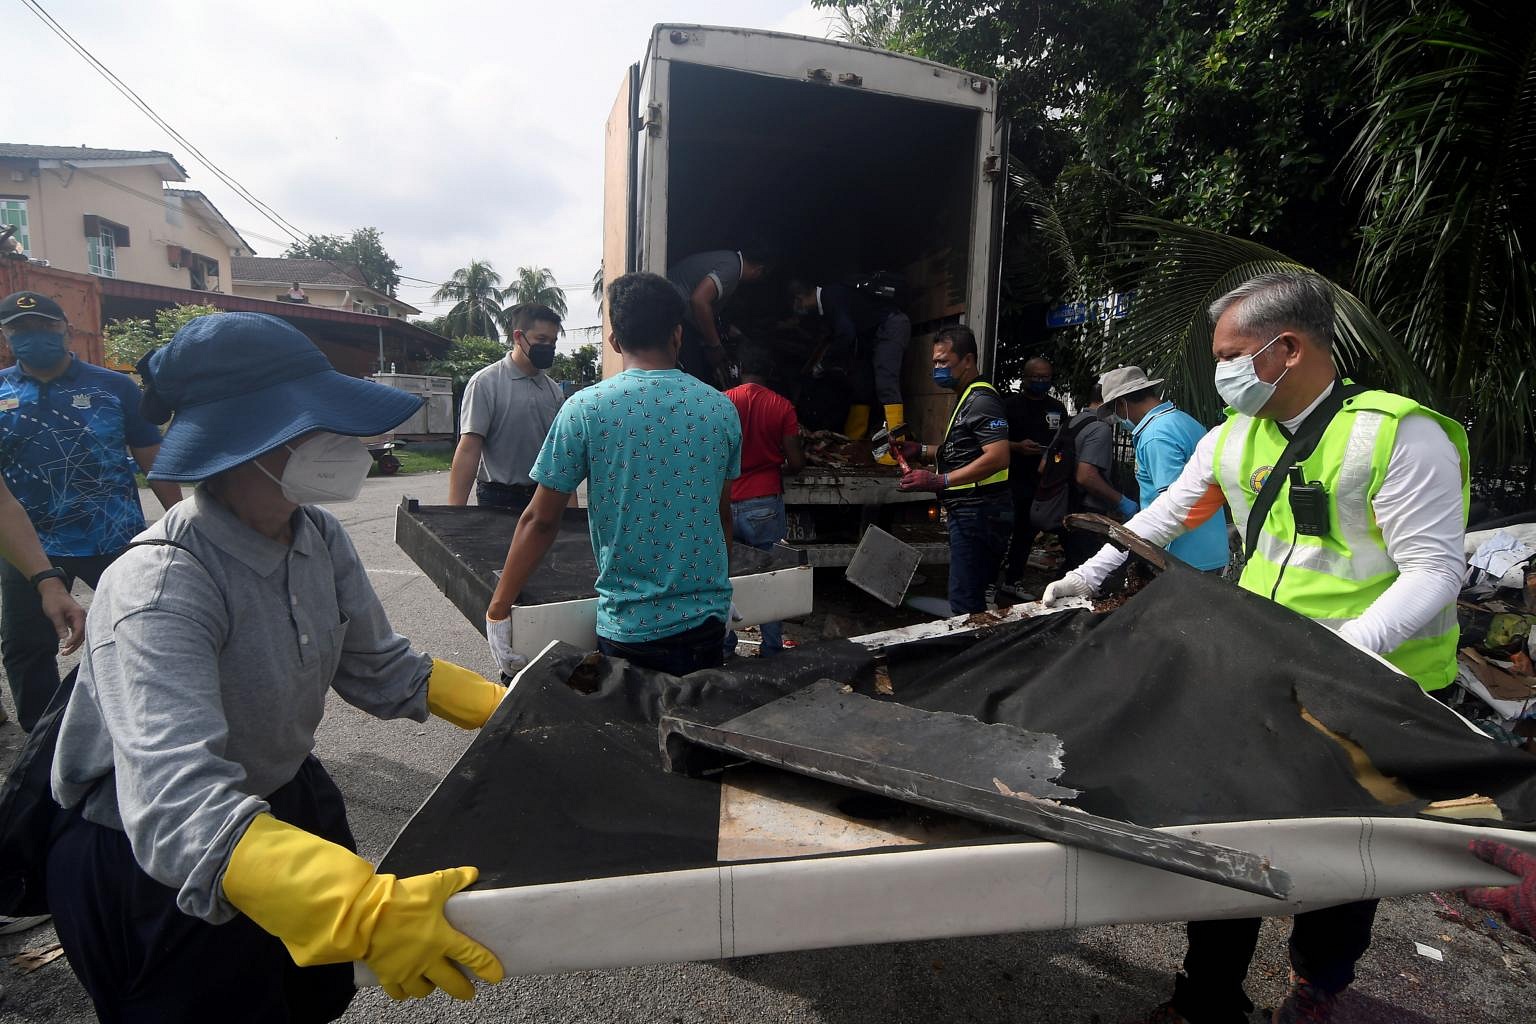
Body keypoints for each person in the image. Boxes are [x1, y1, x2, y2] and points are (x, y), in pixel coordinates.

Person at [47, 312, 507, 1020]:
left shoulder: (314, 532)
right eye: (325, 428)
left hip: (277, 810)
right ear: (248, 443)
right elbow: (176, 807)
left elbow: (383, 670)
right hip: (162, 861)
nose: (352, 445)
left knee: (303, 1002)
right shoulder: (162, 588)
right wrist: (357, 910)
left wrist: (511, 711)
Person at [1043, 271, 1469, 1024]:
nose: (1222, 373)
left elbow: (1435, 569)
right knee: (1228, 832)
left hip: (1373, 688)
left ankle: (1317, 991)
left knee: (1344, 859)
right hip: (1262, 671)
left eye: (1232, 354)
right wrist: (1089, 572)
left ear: (1288, 349)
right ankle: (1207, 996)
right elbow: (1168, 514)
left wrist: (1347, 652)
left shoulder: (1397, 435)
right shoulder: (1235, 436)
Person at [485, 272, 742, 677]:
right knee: (693, 728)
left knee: (634, 735)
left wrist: (499, 611)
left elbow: (540, 520)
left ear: (615, 343)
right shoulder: (720, 409)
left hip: (630, 629)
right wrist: (722, 590)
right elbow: (720, 514)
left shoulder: (586, 408)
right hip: (706, 625)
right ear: (678, 334)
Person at [0, 290, 183, 732]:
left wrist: (184, 526)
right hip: (30, 547)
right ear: (6, 336)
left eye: (45, 325)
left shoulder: (112, 386)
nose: (35, 335)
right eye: (21, 329)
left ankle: (142, 727)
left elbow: (153, 460)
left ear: (66, 329)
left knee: (135, 634)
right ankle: (43, 742)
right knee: (26, 645)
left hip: (113, 540)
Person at [894, 326, 1011, 614]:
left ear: (968, 360)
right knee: (968, 593)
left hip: (979, 510)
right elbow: (961, 451)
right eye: (934, 362)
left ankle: (969, 653)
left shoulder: (981, 400)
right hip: (971, 510)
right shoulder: (965, 397)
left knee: (965, 599)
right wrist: (919, 450)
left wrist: (938, 480)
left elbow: (998, 457)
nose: (937, 369)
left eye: (944, 362)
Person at [1097, 365, 1228, 573]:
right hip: (1209, 548)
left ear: (1122, 404)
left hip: (1181, 557)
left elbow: (1170, 507)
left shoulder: (1155, 436)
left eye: (1114, 411)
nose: (1118, 419)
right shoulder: (1183, 421)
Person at [723, 351, 804, 656]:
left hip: (726, 502)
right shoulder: (782, 406)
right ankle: (771, 646)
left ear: (740, 369)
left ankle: (726, 646)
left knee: (724, 577)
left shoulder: (721, 401)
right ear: (769, 372)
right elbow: (796, 461)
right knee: (770, 577)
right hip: (765, 503)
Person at [448, 302, 565, 509]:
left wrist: (571, 515)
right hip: (497, 496)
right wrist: (455, 512)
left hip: (541, 494)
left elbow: (559, 456)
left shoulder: (554, 392)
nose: (548, 347)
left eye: (553, 341)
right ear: (518, 337)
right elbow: (469, 449)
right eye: (541, 339)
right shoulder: (485, 383)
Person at [787, 278, 911, 456]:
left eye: (796, 301)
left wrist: (823, 364)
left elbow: (846, 334)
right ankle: (853, 443)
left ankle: (897, 448)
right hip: (871, 335)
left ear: (800, 297)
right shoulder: (831, 300)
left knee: (886, 384)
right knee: (862, 387)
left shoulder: (832, 297)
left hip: (890, 326)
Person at [1001, 357, 1067, 591]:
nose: (1041, 381)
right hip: (1010, 479)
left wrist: (1053, 459)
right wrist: (1017, 446)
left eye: (1046, 377)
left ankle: (1013, 580)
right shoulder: (1008, 407)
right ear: (1025, 378)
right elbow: (993, 442)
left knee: (1026, 533)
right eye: (1036, 377)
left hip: (1042, 484)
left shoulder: (1057, 409)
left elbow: (1063, 443)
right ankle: (992, 581)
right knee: (1002, 531)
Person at [667, 244, 775, 387]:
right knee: (694, 373)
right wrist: (715, 346)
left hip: (676, 312)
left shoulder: (729, 260)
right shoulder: (732, 269)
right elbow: (699, 301)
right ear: (759, 271)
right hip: (673, 313)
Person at [1059, 383, 1136, 570]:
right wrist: (1121, 501)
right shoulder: (1099, 428)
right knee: (1087, 568)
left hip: (1065, 505)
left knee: (1072, 564)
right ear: (1111, 402)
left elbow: (1045, 465)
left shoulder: (1071, 423)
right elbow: (1086, 476)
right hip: (1088, 512)